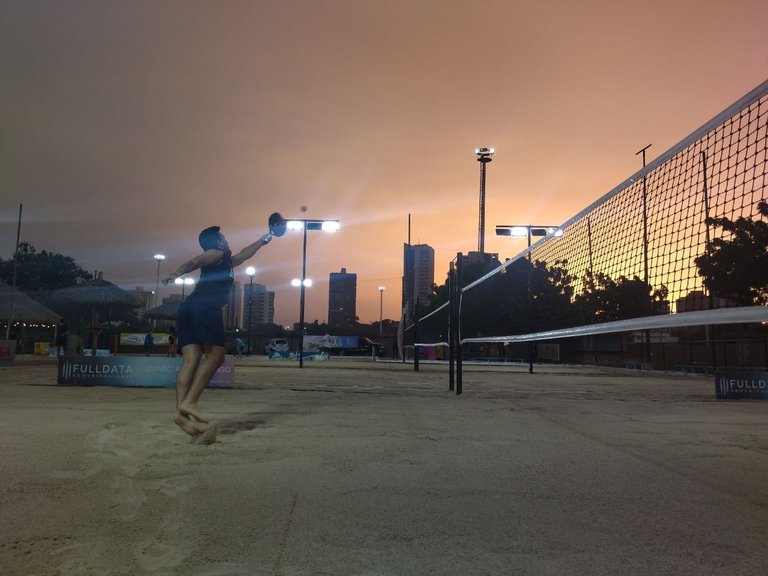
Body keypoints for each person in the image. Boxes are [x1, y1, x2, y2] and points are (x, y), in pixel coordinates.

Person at [163, 225, 276, 439]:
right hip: (205, 306)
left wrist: (264, 239)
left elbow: (244, 254)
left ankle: (181, 414)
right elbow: (194, 262)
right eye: (224, 237)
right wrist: (176, 272)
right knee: (216, 355)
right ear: (218, 242)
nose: (227, 239)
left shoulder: (226, 262)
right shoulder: (218, 253)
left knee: (191, 360)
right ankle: (191, 402)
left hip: (188, 308)